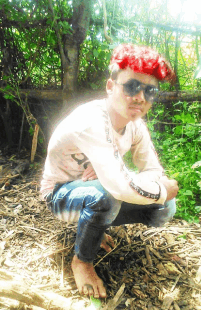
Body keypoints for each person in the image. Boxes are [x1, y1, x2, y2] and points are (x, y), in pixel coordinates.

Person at [40, 43, 179, 299]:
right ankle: (81, 261)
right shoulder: (91, 120)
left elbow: (152, 170)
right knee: (107, 196)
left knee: (165, 208)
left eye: (150, 91)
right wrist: (153, 187)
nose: (140, 97)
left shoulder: (135, 126)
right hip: (59, 195)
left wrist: (118, 174)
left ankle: (92, 225)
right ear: (110, 87)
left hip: (94, 191)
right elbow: (120, 187)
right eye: (132, 86)